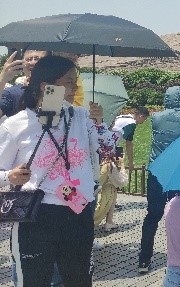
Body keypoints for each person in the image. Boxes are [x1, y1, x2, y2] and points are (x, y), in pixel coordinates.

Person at [0, 55, 116, 286]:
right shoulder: (16, 124)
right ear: (46, 86)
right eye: (69, 82)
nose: (75, 88)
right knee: (34, 281)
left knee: (79, 280)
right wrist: (8, 176)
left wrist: (99, 122)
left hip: (78, 211)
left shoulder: (80, 116)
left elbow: (107, 149)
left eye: (76, 82)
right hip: (36, 215)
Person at [138, 86, 180, 273]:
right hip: (177, 174)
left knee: (152, 215)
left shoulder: (156, 118)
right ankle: (179, 258)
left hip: (157, 173)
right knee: (178, 216)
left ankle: (144, 259)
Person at [0, 49, 49, 118]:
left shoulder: (57, 89)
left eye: (37, 59)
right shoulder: (12, 93)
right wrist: (2, 79)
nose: (32, 62)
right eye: (28, 59)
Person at [110, 106, 149, 171]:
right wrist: (130, 163)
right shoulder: (131, 123)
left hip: (107, 141)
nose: (144, 122)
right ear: (141, 116)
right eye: (144, 119)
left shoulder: (124, 117)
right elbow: (128, 144)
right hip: (107, 145)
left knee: (119, 153)